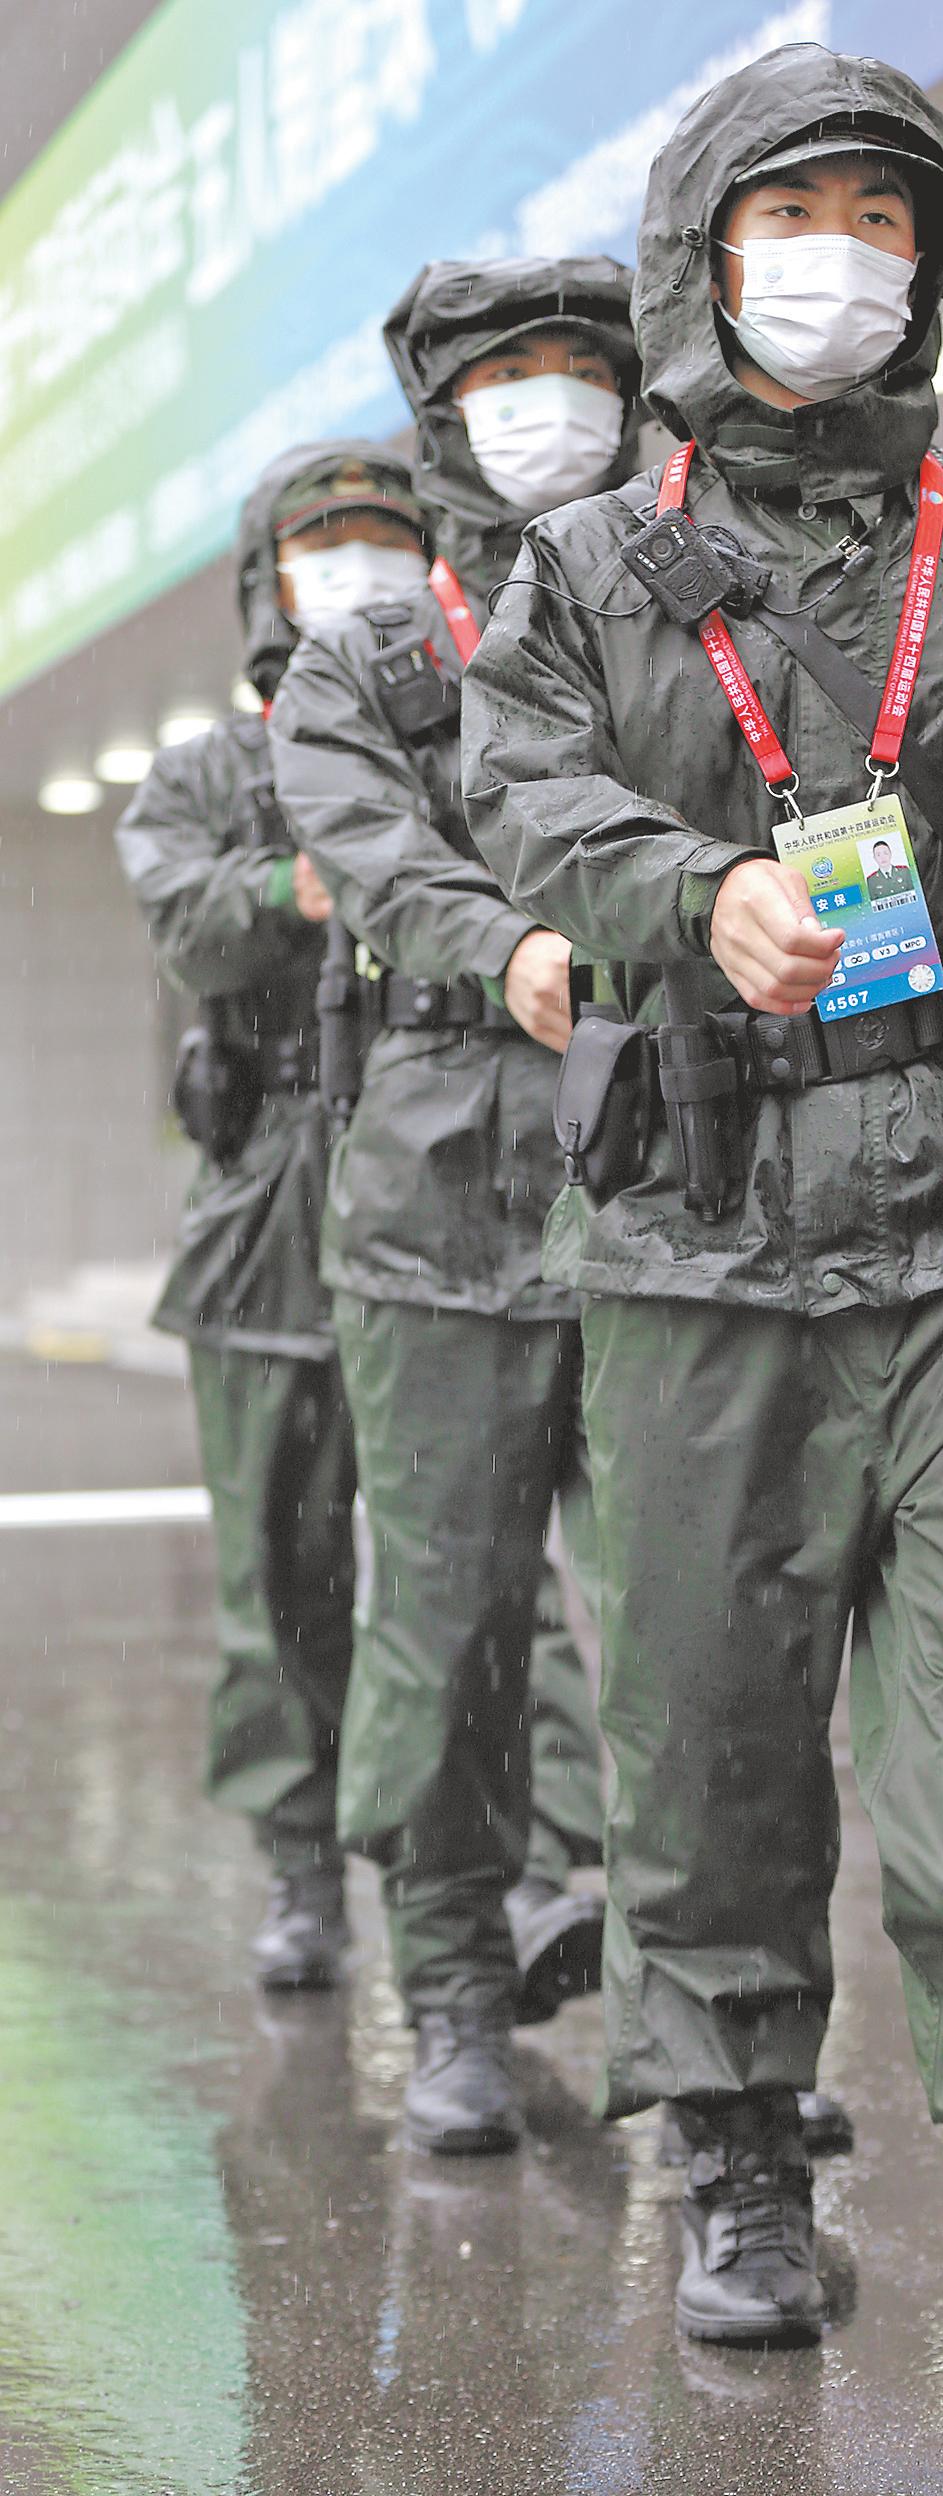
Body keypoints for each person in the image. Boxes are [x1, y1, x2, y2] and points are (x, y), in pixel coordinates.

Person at [443, 43, 943, 2385]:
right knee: (704, 1724)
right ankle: (741, 2154)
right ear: (705, 254)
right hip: (698, 1212)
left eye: (885, 221)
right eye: (799, 216)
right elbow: (518, 795)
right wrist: (690, 891)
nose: (843, 261)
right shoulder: (584, 568)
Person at [268, 261, 636, 2157]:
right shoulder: (369, 660)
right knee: (450, 1623)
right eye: (509, 373)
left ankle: (709, 2015)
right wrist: (514, 945)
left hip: (667, 1184)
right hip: (434, 1201)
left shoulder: (683, 611)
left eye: (583, 366)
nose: (548, 400)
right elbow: (373, 857)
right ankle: (459, 1998)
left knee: (695, 1624)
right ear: (443, 412)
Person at [113, 443, 425, 1990]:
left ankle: (486, 1876)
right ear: (268, 576)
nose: (357, 563)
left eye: (384, 536)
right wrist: (302, 881)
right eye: (325, 540)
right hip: (266, 1216)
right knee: (281, 1579)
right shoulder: (206, 777)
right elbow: (187, 926)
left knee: (467, 1576)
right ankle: (301, 1868)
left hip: (440, 1184)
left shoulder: (463, 730)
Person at [865, 836, 912, 903]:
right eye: (878, 855)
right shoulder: (871, 880)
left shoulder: (904, 871)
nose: (882, 857)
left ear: (890, 854)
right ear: (874, 858)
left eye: (885, 853)